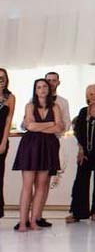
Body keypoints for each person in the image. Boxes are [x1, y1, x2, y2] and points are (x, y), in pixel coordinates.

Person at [12, 78, 63, 232]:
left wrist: (39, 126)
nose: (42, 89)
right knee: (27, 186)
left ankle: (34, 221)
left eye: (44, 87)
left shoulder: (56, 107)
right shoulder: (29, 106)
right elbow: (30, 126)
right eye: (39, 87)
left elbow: (59, 127)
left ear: (49, 89)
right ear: (35, 90)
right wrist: (50, 124)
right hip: (30, 146)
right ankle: (22, 222)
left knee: (41, 186)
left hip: (48, 147)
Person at [66, 85, 95, 223]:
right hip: (85, 152)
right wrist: (80, 149)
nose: (94, 96)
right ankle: (78, 212)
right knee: (80, 181)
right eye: (91, 94)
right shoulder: (83, 111)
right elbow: (78, 131)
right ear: (87, 96)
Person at [33, 70, 71, 228]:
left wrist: (47, 128)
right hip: (35, 144)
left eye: (54, 80)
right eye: (48, 80)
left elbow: (65, 124)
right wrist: (48, 126)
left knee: (45, 181)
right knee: (32, 181)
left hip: (52, 143)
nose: (50, 83)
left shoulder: (62, 102)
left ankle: (38, 215)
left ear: (58, 82)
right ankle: (30, 217)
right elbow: (27, 123)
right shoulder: (33, 100)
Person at [0, 68, 16, 219]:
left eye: (3, 78)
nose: (0, 80)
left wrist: (4, 141)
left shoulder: (10, 98)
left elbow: (8, 121)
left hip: (1, 139)